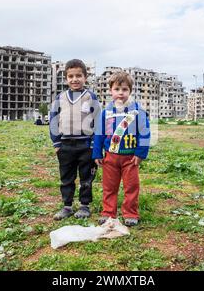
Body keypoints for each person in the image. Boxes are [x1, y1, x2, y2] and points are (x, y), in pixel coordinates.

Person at [92, 72, 151, 227]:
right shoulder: (106, 113)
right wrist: (97, 152)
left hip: (130, 158)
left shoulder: (138, 112)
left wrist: (140, 153)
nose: (120, 93)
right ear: (110, 90)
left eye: (124, 89)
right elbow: (99, 133)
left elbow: (145, 133)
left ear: (130, 91)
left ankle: (130, 213)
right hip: (110, 157)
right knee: (109, 187)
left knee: (131, 186)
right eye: (117, 88)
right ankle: (108, 212)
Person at [49, 59, 100, 220]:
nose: (75, 79)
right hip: (65, 145)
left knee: (86, 177)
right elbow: (53, 120)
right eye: (71, 76)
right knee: (66, 177)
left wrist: (95, 144)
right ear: (66, 79)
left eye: (79, 75)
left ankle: (84, 206)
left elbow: (99, 121)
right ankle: (67, 206)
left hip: (86, 144)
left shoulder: (90, 97)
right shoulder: (60, 98)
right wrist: (57, 143)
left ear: (85, 77)